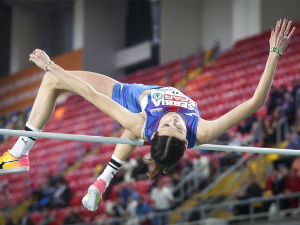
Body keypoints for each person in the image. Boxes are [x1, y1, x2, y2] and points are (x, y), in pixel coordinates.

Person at [0, 18, 296, 212]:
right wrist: (274, 53)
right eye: (177, 127)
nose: (174, 119)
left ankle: (19, 153)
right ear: (186, 137)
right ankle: (101, 181)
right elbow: (256, 102)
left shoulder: (142, 123)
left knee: (53, 80)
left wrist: (51, 65)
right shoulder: (203, 131)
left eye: (167, 125)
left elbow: (91, 94)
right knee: (58, 83)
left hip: (123, 94)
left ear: (155, 133)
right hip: (135, 97)